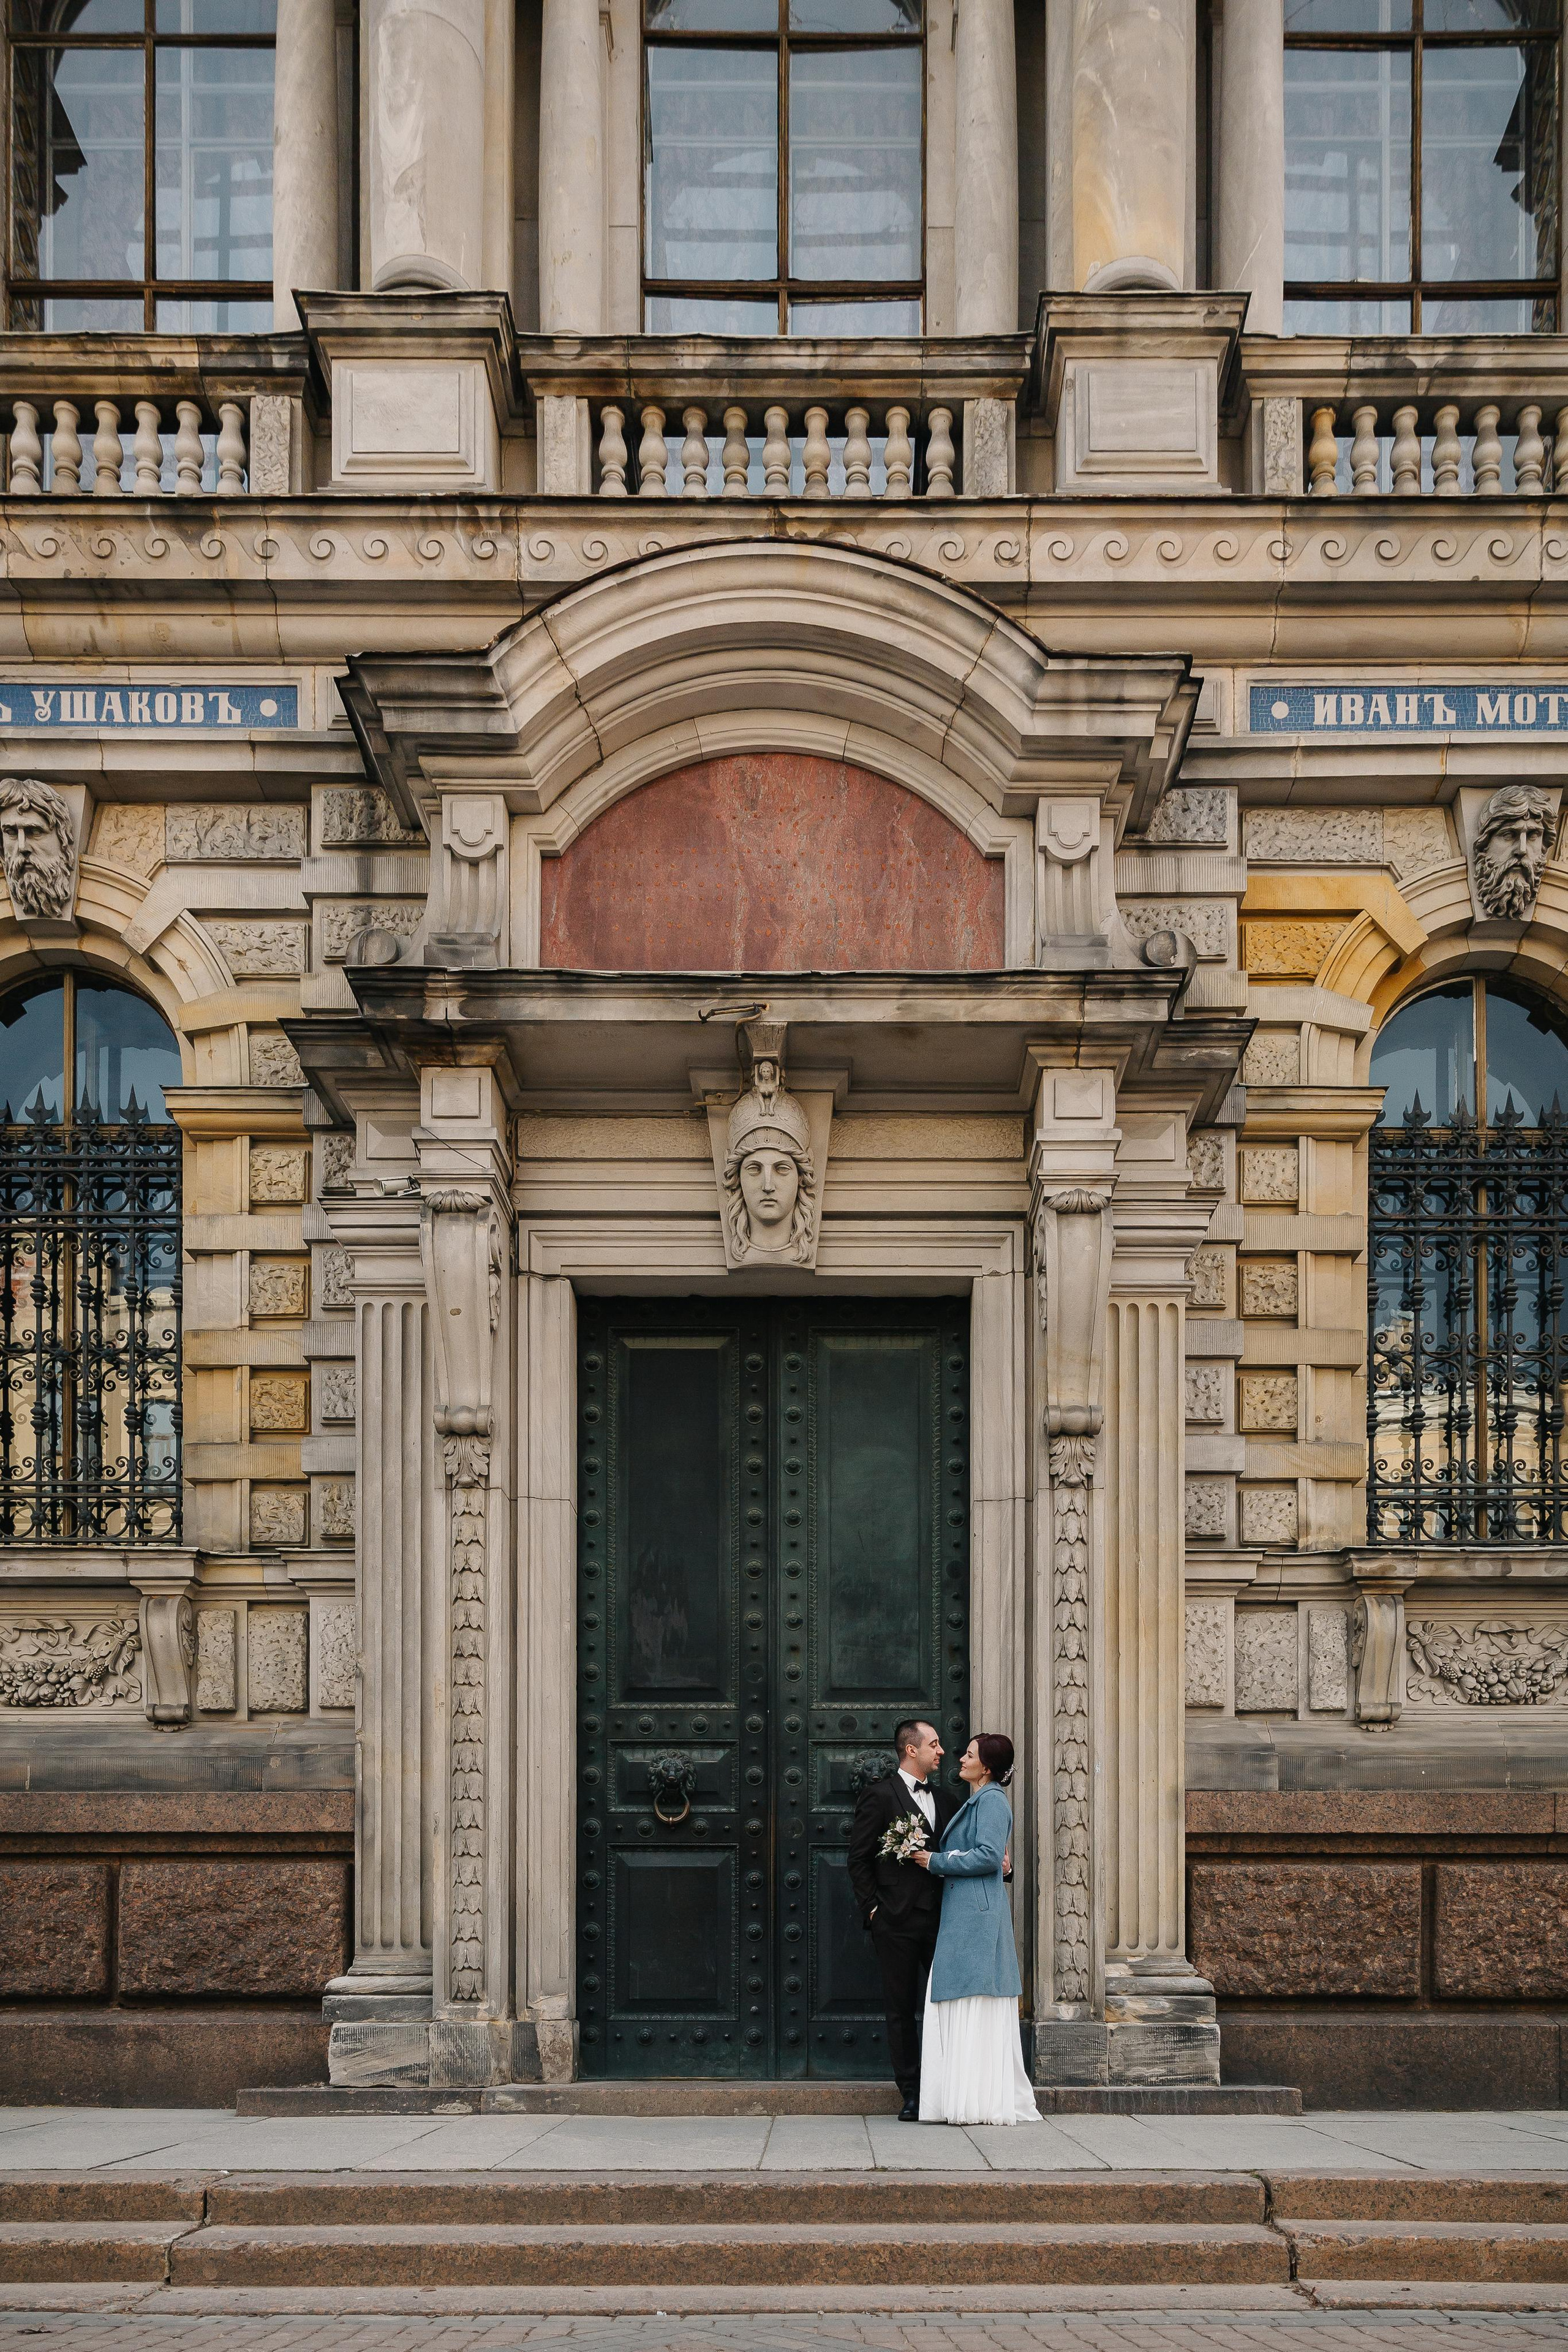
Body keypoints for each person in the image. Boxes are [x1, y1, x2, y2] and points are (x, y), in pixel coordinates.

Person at [908, 1731, 1039, 2125]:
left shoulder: (993, 1801)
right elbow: (994, 1857)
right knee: (957, 2001)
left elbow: (986, 1856)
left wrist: (935, 1861)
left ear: (986, 1766)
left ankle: (975, 2100)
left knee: (969, 2002)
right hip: (966, 1917)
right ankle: (963, 2097)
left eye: (969, 1755)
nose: (961, 1760)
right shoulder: (979, 1800)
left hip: (975, 1923)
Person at [846, 1719, 963, 2122]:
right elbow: (858, 1858)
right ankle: (911, 2093)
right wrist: (873, 1910)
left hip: (942, 1921)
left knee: (947, 2006)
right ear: (911, 1750)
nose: (942, 1751)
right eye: (934, 1744)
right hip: (894, 1922)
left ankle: (946, 2090)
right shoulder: (879, 1796)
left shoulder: (948, 1801)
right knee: (900, 2010)